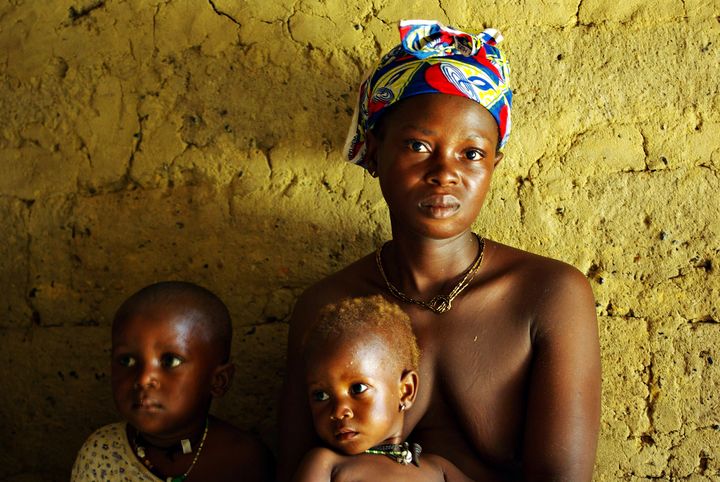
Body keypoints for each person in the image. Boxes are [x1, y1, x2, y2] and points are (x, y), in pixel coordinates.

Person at [279, 19, 601, 481]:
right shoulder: (328, 308)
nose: (444, 172)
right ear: (373, 153)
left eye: (471, 153)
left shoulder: (549, 295)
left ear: (494, 164)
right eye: (418, 145)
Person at [71, 281, 273, 482]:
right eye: (127, 360)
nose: (143, 379)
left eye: (170, 361)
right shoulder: (101, 453)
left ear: (218, 381)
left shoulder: (243, 461)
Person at [292, 295, 472, 482]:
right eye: (321, 395)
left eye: (357, 389)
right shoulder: (326, 464)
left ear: (406, 391)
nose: (338, 411)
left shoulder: (438, 469)